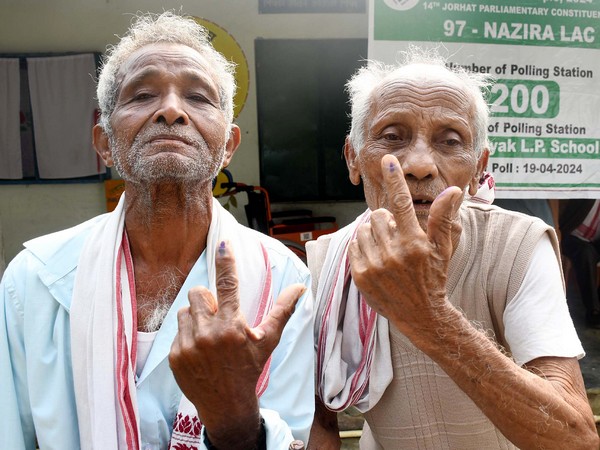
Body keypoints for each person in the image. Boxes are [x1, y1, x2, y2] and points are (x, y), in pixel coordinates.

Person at [0, 12, 314, 450]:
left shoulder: (284, 281)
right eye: (143, 94)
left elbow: (293, 436)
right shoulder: (33, 281)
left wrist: (234, 416)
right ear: (104, 142)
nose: (170, 109)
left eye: (199, 98)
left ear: (228, 146)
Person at [307, 48, 599, 449]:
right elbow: (318, 425)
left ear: (479, 169)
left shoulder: (519, 247)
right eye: (392, 137)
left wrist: (429, 317)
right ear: (353, 158)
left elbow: (576, 440)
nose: (420, 165)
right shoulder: (326, 262)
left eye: (449, 141)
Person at [560, 198, 600, 328]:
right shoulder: (587, 191)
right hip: (572, 237)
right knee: (585, 253)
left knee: (588, 251)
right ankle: (594, 311)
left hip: (595, 242)